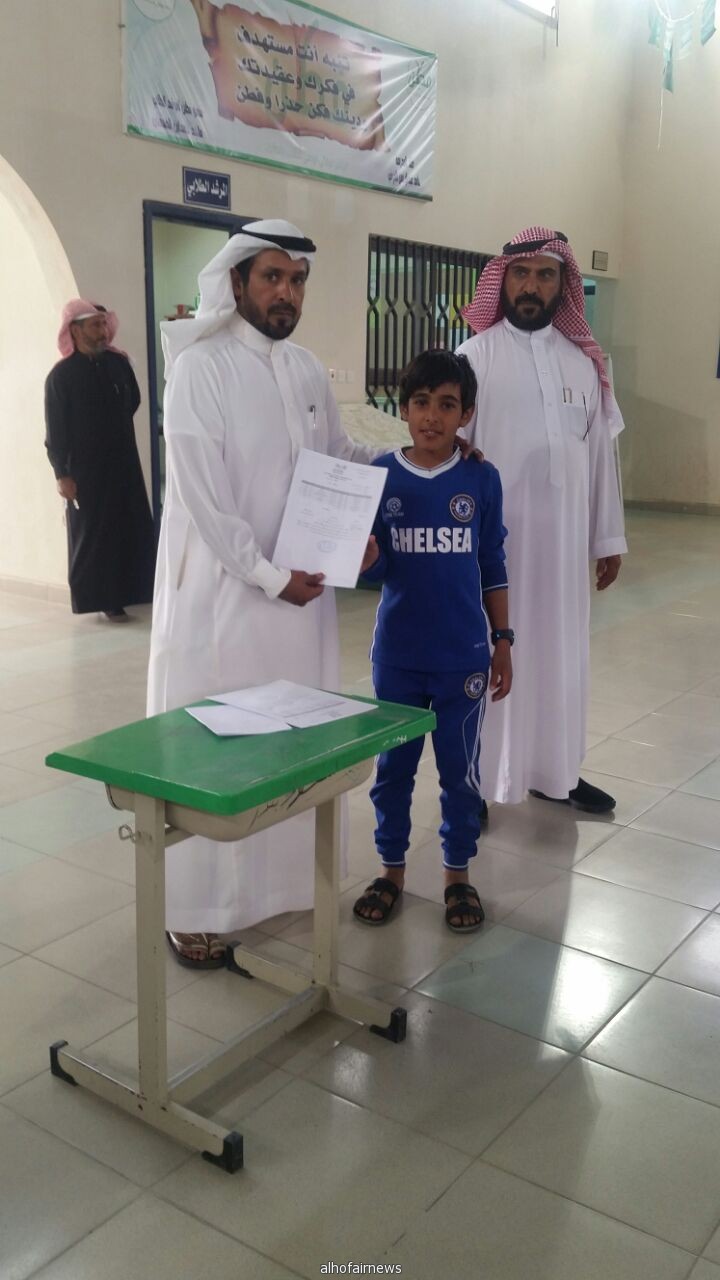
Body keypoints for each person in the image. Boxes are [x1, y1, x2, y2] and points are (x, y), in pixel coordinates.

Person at [148, 219, 388, 968]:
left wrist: (418, 458)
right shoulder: (200, 368)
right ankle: (195, 910)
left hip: (299, 598)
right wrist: (270, 577)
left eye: (298, 279)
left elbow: (338, 459)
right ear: (238, 281)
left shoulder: (307, 369)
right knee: (215, 749)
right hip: (223, 601)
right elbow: (205, 500)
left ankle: (282, 888)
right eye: (272, 277)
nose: (287, 292)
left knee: (290, 743)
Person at [456, 226, 627, 813]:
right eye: (521, 274)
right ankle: (475, 782)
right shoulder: (474, 358)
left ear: (563, 285)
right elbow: (452, 458)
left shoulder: (584, 365)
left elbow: (599, 456)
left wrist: (607, 538)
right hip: (496, 553)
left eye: (545, 275)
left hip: (563, 550)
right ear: (503, 280)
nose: (531, 286)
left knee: (560, 658)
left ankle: (558, 773)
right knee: (490, 660)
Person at [353, 350, 512, 933]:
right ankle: (390, 870)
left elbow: (492, 561)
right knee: (393, 770)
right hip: (398, 656)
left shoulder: (481, 477)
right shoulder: (381, 476)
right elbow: (377, 567)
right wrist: (367, 560)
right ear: (404, 409)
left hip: (462, 658)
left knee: (459, 773)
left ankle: (456, 874)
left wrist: (503, 640)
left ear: (465, 415)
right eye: (421, 402)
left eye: (447, 405)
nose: (432, 416)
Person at [44, 301, 155, 621]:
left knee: (130, 526)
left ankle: (136, 592)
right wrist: (62, 474)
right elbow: (56, 430)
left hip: (124, 463)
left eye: (104, 324)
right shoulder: (61, 376)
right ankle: (105, 599)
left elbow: (133, 400)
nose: (103, 331)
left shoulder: (118, 364)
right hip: (86, 472)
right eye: (95, 325)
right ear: (75, 331)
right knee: (95, 536)